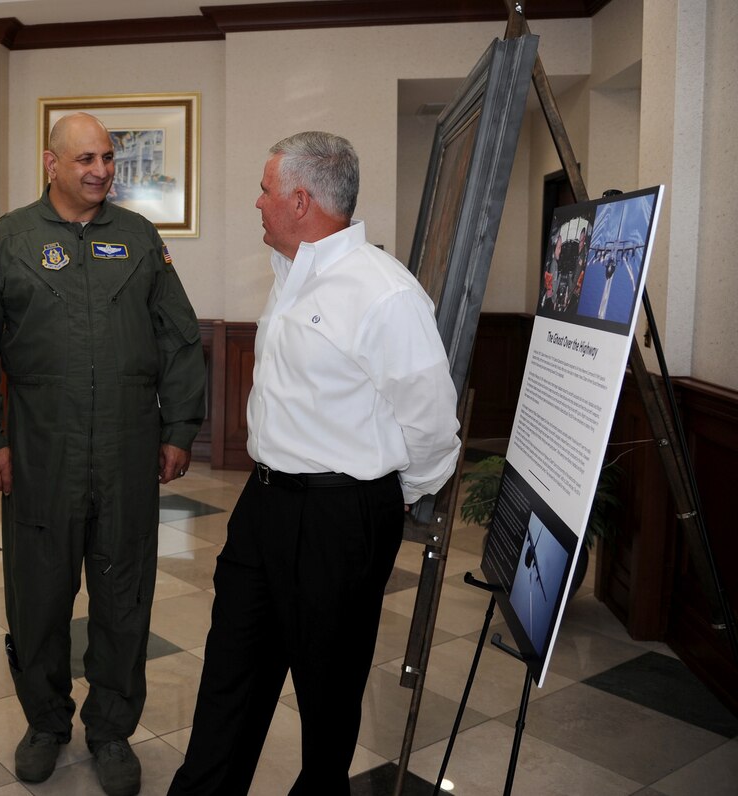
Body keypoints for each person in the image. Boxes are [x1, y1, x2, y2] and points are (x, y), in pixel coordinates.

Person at [168, 132, 461, 796]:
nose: (257, 202)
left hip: (340, 518)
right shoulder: (290, 275)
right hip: (264, 505)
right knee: (230, 676)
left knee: (327, 698)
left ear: (300, 201)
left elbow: (433, 428)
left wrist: (381, 496)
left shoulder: (385, 293)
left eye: (265, 190)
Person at [0, 112, 206, 796]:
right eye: (85, 158)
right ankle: (45, 723)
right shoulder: (8, 241)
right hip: (41, 452)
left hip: (127, 451)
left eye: (108, 158)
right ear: (51, 163)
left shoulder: (140, 239)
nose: (100, 170)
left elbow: (180, 337)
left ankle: (112, 729)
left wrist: (180, 429)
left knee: (124, 597)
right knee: (38, 598)